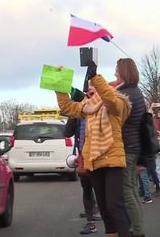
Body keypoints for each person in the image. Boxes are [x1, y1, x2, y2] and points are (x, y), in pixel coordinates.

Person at [56, 61, 131, 237]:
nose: (90, 89)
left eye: (93, 86)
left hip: (112, 159)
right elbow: (67, 107)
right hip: (94, 160)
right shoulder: (88, 107)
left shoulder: (118, 103)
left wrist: (95, 77)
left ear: (101, 87)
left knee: (115, 205)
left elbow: (109, 99)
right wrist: (60, 84)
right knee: (104, 208)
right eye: (89, 87)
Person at [113, 58, 147, 237]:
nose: (115, 74)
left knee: (127, 191)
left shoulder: (126, 95)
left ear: (124, 71)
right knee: (132, 188)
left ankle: (138, 231)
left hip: (126, 146)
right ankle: (137, 228)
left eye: (117, 70)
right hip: (134, 146)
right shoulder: (136, 92)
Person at [64, 88, 100, 235]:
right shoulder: (79, 114)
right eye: (87, 94)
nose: (88, 96)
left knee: (100, 189)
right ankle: (91, 222)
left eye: (91, 94)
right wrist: (73, 113)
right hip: (83, 157)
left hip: (99, 155)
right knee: (86, 189)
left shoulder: (101, 109)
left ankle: (100, 213)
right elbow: (67, 133)